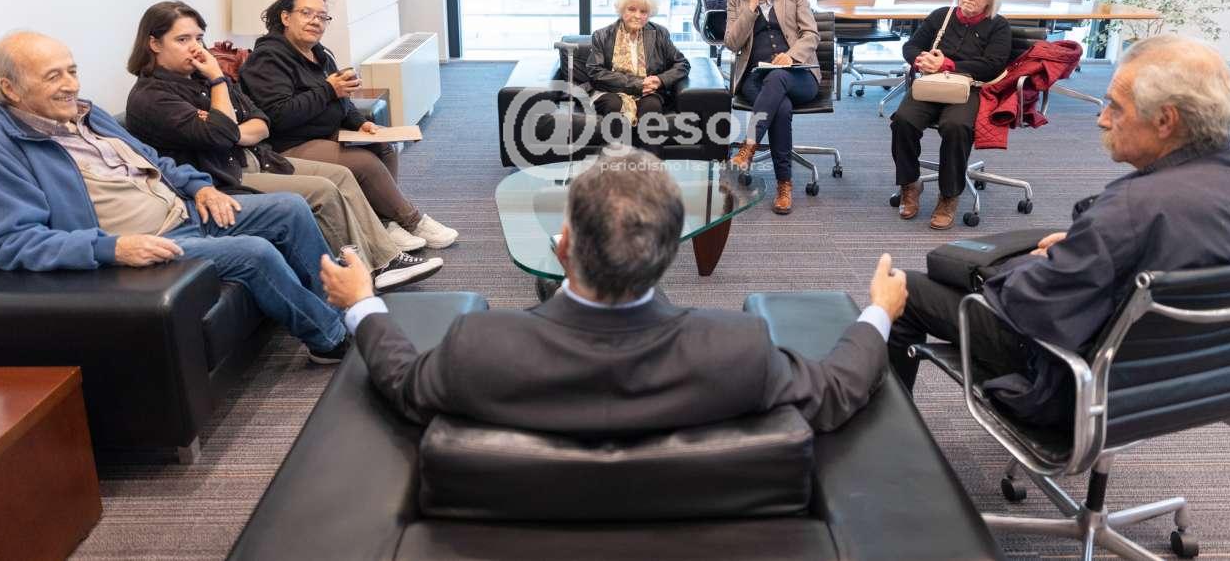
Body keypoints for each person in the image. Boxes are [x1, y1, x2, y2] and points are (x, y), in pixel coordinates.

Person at [320, 147, 908, 435]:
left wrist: (363, 303)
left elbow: (403, 383)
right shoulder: (740, 347)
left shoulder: (479, 344)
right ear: (671, 251)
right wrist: (878, 313)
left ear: (563, 247)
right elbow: (837, 390)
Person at [888, 35, 1230, 426]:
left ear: (1165, 120)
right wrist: (1086, 246)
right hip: (1206, 386)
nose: (1102, 118)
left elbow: (1027, 306)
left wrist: (1032, 263)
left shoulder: (1129, 210)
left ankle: (889, 435)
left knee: (902, 289)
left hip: (1081, 388)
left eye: (1115, 106)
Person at [0, 31, 352, 364]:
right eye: (53, 77)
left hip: (185, 211)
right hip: (149, 241)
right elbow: (9, 242)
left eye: (72, 71)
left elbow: (153, 159)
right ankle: (330, 340)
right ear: (10, 89)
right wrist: (111, 248)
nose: (71, 85)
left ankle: (340, 313)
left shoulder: (86, 113)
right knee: (254, 253)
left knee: (290, 207)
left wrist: (200, 187)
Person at [124, 2, 442, 293]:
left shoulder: (201, 78)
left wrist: (228, 128)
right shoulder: (153, 97)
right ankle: (369, 268)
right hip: (221, 177)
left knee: (342, 175)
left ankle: (386, 256)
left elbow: (260, 123)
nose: (195, 48)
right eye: (182, 40)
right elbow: (233, 130)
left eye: (199, 38)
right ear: (154, 44)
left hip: (255, 156)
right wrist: (220, 86)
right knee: (324, 189)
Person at [238, 0, 456, 254]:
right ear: (285, 17)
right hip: (288, 143)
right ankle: (413, 221)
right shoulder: (267, 59)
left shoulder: (320, 54)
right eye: (306, 13)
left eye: (322, 17)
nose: (315, 21)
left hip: (325, 133)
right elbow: (279, 115)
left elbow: (342, 100)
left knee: (383, 147)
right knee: (364, 163)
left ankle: (384, 223)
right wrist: (329, 89)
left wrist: (358, 123)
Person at [891, 0, 1012, 229]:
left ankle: (949, 196)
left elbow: (993, 65)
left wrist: (948, 64)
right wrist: (921, 60)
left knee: (956, 126)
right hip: (932, 84)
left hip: (970, 88)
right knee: (902, 120)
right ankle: (910, 184)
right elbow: (910, 46)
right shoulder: (941, 16)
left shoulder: (998, 26)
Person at [723, 0, 821, 215]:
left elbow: (811, 34)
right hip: (755, 78)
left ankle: (748, 148)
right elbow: (732, 43)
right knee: (782, 108)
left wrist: (791, 56)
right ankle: (784, 185)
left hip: (799, 75)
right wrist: (751, 7)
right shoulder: (736, 0)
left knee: (778, 77)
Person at [585, 0, 690, 144]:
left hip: (648, 91)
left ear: (649, 14)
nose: (637, 16)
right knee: (614, 105)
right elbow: (595, 71)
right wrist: (638, 84)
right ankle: (617, 158)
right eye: (632, 9)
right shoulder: (602, 35)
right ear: (622, 10)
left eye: (643, 11)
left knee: (652, 106)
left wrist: (660, 80)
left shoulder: (660, 34)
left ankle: (650, 159)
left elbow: (682, 63)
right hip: (611, 90)